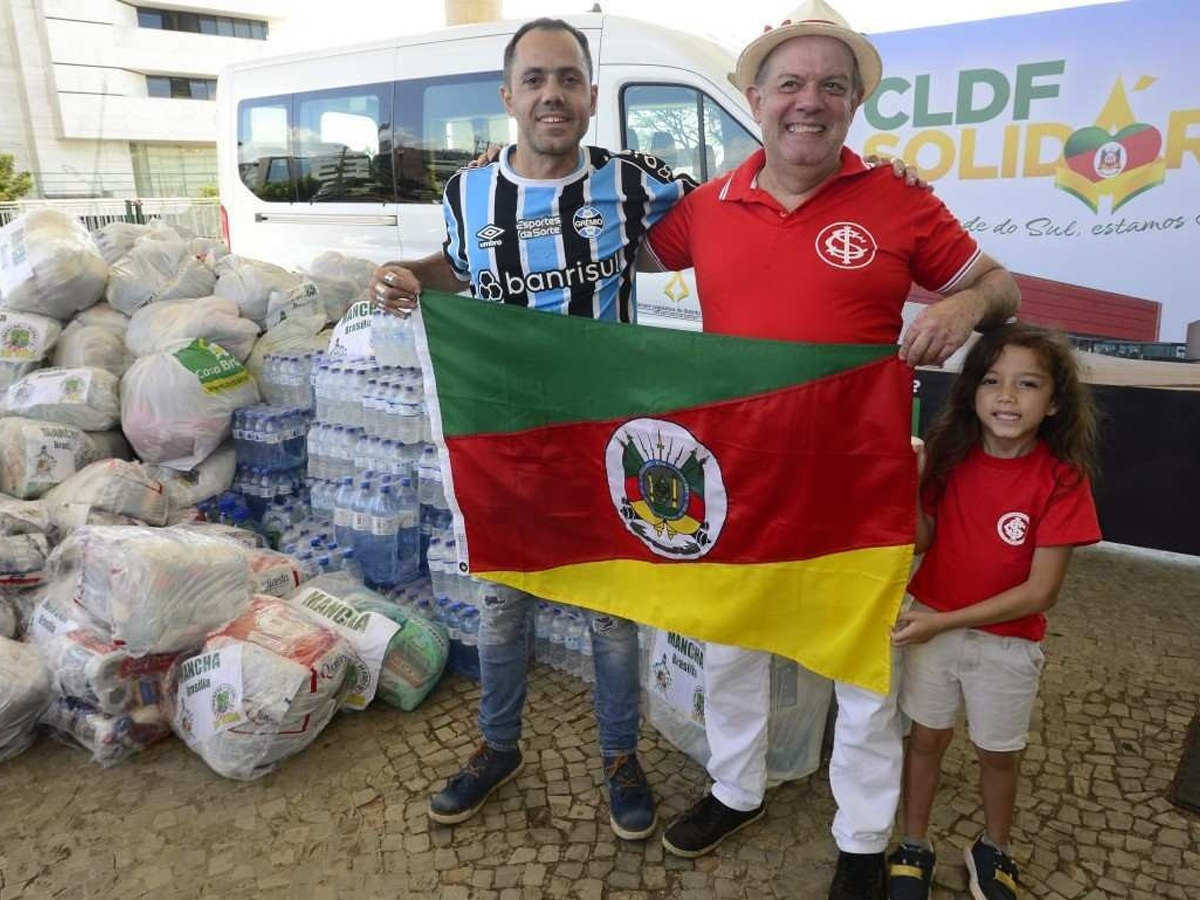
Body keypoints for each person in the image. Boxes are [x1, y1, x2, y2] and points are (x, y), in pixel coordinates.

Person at [641, 2, 1021, 898]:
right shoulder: (704, 206)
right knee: (731, 646)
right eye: (790, 84)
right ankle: (736, 787)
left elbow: (997, 283)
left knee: (860, 667)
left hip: (860, 480)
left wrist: (962, 307)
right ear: (754, 97)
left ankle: (860, 838)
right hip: (731, 480)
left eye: (831, 86)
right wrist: (510, 180)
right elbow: (600, 250)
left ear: (853, 105)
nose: (808, 101)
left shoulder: (901, 199)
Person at [369, 17, 698, 841]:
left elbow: (737, 220)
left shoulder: (636, 183)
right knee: (503, 608)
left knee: (610, 612)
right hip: (506, 440)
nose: (553, 94)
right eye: (537, 79)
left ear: (589, 94)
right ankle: (497, 747)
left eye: (569, 78)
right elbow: (459, 266)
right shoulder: (467, 191)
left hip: (600, 438)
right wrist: (412, 274)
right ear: (509, 96)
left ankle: (620, 758)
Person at [887, 322, 1100, 900]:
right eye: (991, 381)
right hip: (932, 626)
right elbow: (921, 540)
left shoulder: (1062, 479)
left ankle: (994, 848)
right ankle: (913, 842)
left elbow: (1040, 593)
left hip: (1004, 642)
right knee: (926, 739)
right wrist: (908, 485)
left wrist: (941, 621)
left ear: (1054, 402)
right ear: (971, 393)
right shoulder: (951, 460)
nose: (1006, 397)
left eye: (1027, 384)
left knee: (996, 753)